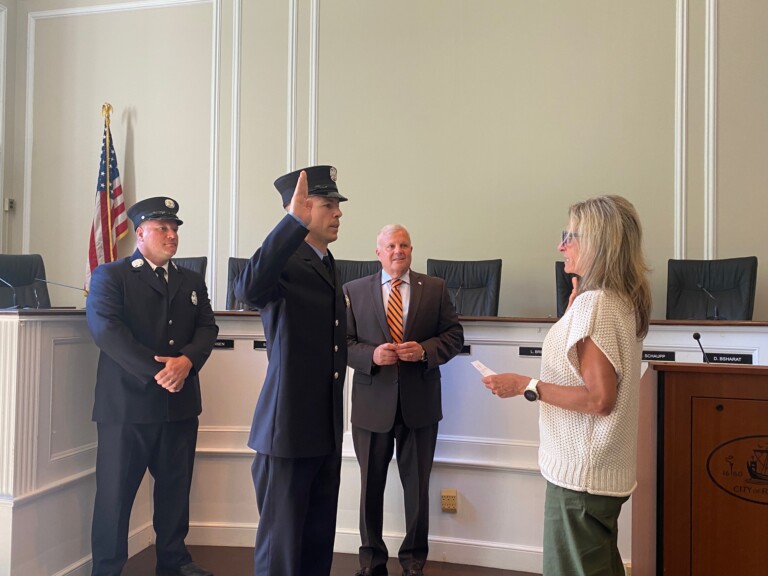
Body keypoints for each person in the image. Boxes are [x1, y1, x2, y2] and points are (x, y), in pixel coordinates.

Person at [481, 195, 651, 576]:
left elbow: (599, 399)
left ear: (599, 243)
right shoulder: (618, 300)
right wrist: (572, 314)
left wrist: (528, 384)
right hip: (599, 476)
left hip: (581, 480)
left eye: (570, 236)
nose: (561, 246)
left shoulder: (598, 305)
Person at [86, 197, 219, 576]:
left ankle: (173, 561)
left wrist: (187, 361)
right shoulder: (112, 275)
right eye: (163, 228)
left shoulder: (190, 280)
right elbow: (106, 331)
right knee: (115, 497)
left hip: (179, 407)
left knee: (175, 493)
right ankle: (107, 569)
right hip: (127, 407)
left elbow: (207, 327)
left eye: (175, 228)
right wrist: (160, 372)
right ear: (140, 232)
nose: (172, 234)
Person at [233, 165, 348, 576]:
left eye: (338, 205)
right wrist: (289, 227)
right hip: (287, 429)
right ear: (298, 208)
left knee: (317, 541)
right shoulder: (285, 259)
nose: (337, 213)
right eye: (327, 204)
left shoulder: (328, 262)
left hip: (324, 429)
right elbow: (246, 290)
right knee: (281, 549)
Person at [344, 224, 464, 576]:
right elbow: (341, 343)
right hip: (371, 406)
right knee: (370, 489)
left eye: (405, 245)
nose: (399, 251)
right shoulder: (353, 290)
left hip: (420, 405)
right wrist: (371, 356)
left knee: (417, 488)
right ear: (378, 252)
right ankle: (371, 563)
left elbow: (454, 336)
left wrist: (425, 351)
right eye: (392, 245)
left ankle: (414, 563)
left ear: (412, 251)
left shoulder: (436, 289)